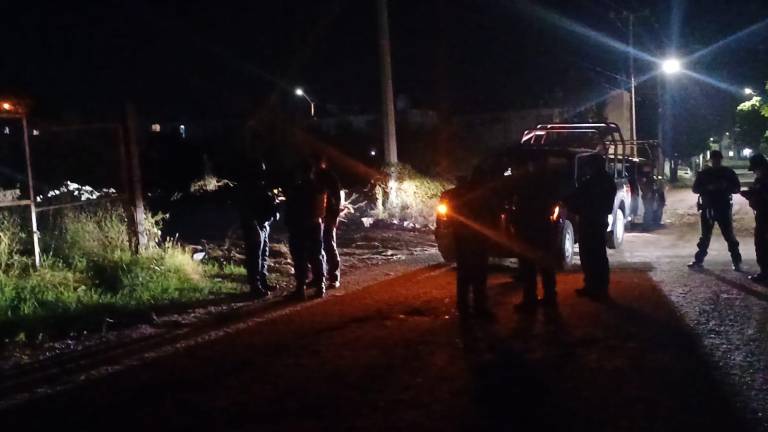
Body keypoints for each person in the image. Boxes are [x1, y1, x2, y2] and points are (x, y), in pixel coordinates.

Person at [567, 154, 617, 300]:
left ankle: (595, 287)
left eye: (589, 165)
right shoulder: (607, 181)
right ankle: (597, 287)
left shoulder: (593, 182)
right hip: (598, 221)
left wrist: (573, 206)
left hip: (590, 221)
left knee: (591, 256)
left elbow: (578, 198)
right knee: (597, 256)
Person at [688, 150, 742, 271]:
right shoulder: (705, 173)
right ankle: (699, 260)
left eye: (717, 159)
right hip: (708, 207)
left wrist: (725, 186)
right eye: (714, 159)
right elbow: (695, 189)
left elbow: (736, 188)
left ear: (720, 159)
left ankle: (736, 261)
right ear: (711, 160)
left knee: (728, 236)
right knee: (705, 237)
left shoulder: (727, 172)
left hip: (722, 207)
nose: (716, 161)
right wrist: (709, 187)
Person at [451, 175, 492, 319]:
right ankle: (477, 307)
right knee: (477, 274)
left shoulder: (458, 195)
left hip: (465, 239)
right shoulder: (480, 196)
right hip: (474, 239)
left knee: (466, 274)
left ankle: (465, 307)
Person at [237, 160, 279, 299]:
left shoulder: (261, 185)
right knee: (254, 256)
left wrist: (273, 205)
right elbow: (246, 208)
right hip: (253, 224)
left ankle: (262, 281)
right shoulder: (248, 187)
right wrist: (252, 223)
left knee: (263, 254)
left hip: (263, 223)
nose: (262, 172)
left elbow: (266, 202)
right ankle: (255, 285)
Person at [285, 161, 327, 300]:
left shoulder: (297, 188)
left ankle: (301, 289)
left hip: (300, 225)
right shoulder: (319, 187)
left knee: (300, 257)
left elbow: (291, 208)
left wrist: (289, 223)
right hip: (316, 224)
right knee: (316, 255)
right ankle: (320, 286)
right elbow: (322, 209)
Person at [312, 153, 343, 288]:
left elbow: (337, 198)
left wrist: (334, 215)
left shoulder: (329, 177)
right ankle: (318, 277)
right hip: (315, 216)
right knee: (316, 247)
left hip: (328, 215)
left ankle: (333, 277)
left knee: (329, 244)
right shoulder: (312, 176)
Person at [742, 153, 768, 282]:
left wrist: (757, 195)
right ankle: (764, 272)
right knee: (761, 244)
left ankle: (765, 274)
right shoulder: (759, 180)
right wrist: (751, 195)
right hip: (762, 216)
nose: (754, 172)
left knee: (762, 245)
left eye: (755, 169)